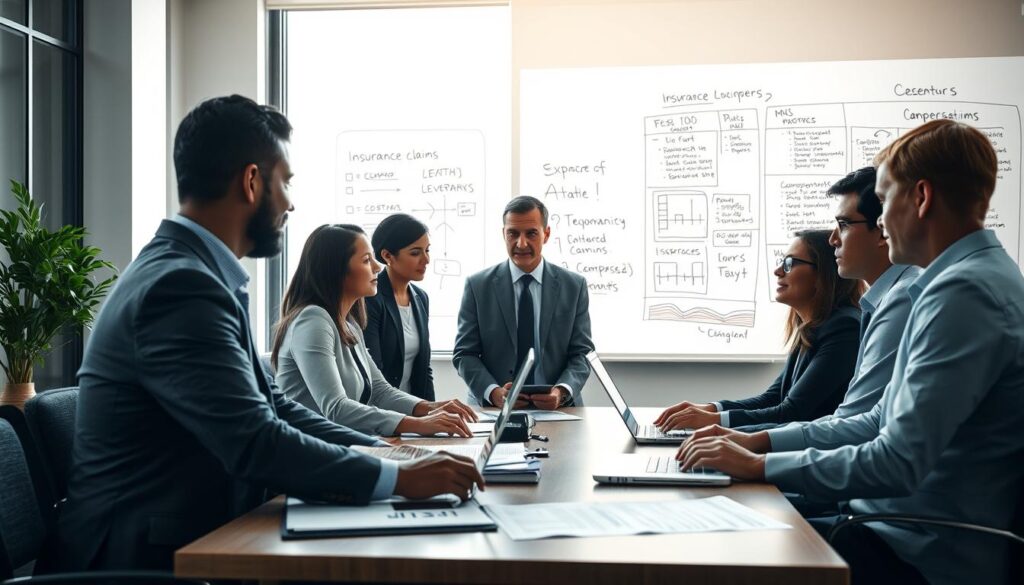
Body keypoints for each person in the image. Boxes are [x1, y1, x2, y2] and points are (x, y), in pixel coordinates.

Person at [57, 95, 483, 571]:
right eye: (286, 181)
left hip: (198, 531)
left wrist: (384, 451)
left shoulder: (195, 273)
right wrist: (398, 478)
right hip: (142, 556)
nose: (291, 202)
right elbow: (254, 440)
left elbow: (274, 407)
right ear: (253, 180)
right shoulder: (180, 286)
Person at [675, 119, 1024, 585]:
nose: (879, 222)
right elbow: (876, 421)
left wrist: (760, 464)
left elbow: (897, 461)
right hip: (887, 528)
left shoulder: (963, 292)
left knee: (710, 552)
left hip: (912, 548)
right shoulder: (970, 280)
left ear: (920, 198)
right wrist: (758, 444)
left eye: (885, 200)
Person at [273, 223, 477, 437]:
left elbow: (380, 390)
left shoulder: (349, 324)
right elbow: (336, 408)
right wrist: (417, 424)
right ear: (337, 269)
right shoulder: (313, 320)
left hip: (339, 444)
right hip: (308, 454)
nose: (378, 267)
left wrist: (430, 408)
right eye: (366, 260)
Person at [656, 229, 862, 430]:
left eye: (790, 263)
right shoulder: (812, 326)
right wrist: (709, 409)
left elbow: (791, 412)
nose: (778, 271)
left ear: (823, 272)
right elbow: (773, 398)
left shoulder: (843, 328)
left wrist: (714, 420)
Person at [453, 195, 594, 409]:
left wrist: (561, 392)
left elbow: (582, 354)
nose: (521, 243)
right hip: (493, 408)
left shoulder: (573, 286)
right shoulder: (478, 286)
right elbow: (465, 354)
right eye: (513, 233)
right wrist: (493, 393)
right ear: (504, 234)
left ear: (546, 235)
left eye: (531, 233)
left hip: (559, 408)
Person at [364, 213, 435, 401]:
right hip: (382, 411)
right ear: (387, 256)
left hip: (415, 411)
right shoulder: (370, 298)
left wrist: (436, 412)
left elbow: (424, 369)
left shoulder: (421, 297)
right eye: (415, 252)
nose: (426, 259)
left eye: (427, 250)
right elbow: (374, 373)